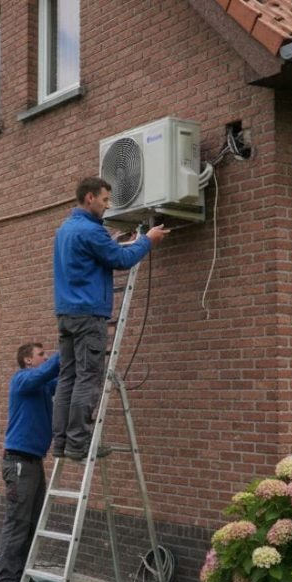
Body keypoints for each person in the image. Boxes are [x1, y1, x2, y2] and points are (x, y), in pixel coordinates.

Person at [52, 176, 168, 461]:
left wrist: (113, 243)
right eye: (104, 200)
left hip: (66, 314)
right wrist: (148, 241)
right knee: (88, 378)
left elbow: (95, 256)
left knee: (67, 378)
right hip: (88, 315)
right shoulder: (91, 231)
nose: (108, 205)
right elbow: (122, 261)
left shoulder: (65, 229)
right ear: (89, 197)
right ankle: (78, 444)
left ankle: (62, 443)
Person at [0, 342, 60, 582]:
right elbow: (48, 371)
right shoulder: (21, 379)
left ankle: (23, 577)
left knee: (32, 523)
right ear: (28, 360)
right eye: (41, 354)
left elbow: (61, 381)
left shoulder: (41, 386)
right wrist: (68, 348)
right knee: (17, 524)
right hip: (18, 463)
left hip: (34, 462)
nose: (46, 357)